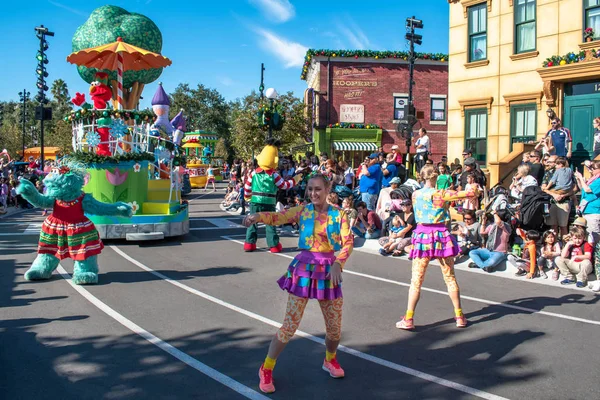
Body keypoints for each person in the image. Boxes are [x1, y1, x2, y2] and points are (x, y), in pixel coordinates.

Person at [242, 172, 354, 394]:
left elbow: (348, 241)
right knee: (289, 325)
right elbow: (279, 217)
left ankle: (330, 359)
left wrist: (338, 264)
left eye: (318, 189)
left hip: (328, 272)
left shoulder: (339, 215)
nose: (313, 193)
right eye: (310, 189)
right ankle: (266, 368)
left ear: (328, 190)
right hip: (303, 269)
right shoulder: (303, 210)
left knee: (334, 330)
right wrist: (257, 217)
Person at [396, 165, 476, 330]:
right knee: (449, 276)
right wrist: (474, 187)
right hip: (441, 235)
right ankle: (459, 315)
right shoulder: (441, 194)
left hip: (423, 235)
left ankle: (409, 318)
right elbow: (469, 193)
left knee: (416, 280)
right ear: (436, 177)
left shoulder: (416, 194)